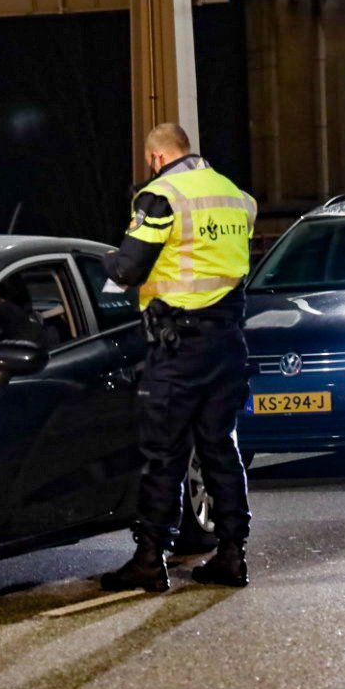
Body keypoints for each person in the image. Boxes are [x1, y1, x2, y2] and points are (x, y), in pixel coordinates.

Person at [99, 122, 258, 591]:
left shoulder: (160, 196)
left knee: (163, 454)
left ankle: (151, 557)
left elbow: (129, 268)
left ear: (155, 158)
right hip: (228, 342)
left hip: (178, 347)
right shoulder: (235, 196)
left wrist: (106, 258)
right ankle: (233, 554)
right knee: (220, 448)